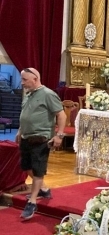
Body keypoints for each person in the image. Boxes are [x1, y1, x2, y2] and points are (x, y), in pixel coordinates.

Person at [16, 68, 66, 221]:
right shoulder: (29, 94)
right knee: (25, 166)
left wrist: (59, 135)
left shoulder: (48, 94)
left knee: (38, 170)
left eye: (25, 80)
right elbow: (25, 115)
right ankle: (44, 189)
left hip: (41, 138)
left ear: (35, 78)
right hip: (25, 137)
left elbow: (61, 114)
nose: (22, 83)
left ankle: (32, 202)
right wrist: (19, 131)